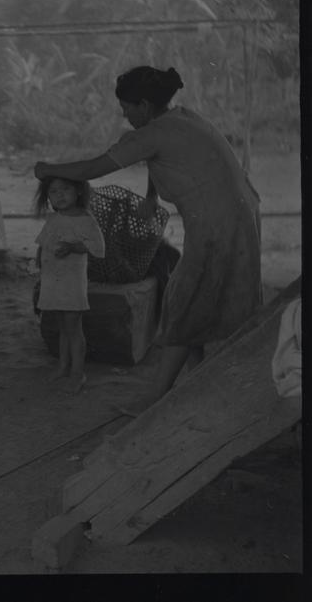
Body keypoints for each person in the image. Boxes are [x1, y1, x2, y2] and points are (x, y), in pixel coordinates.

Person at [34, 65, 263, 414]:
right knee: (190, 299)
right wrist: (151, 196)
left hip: (219, 223)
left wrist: (50, 169)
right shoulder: (184, 118)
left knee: (186, 301)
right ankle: (197, 383)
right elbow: (170, 161)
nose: (124, 114)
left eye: (127, 106)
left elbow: (93, 169)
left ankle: (154, 400)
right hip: (242, 210)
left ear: (143, 104)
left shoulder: (149, 135)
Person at [34, 176, 105, 394]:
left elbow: (98, 248)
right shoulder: (55, 217)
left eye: (65, 189)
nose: (60, 195)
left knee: (74, 328)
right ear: (48, 197)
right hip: (53, 279)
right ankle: (63, 366)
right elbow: (43, 241)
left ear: (79, 192)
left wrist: (74, 247)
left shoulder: (86, 219)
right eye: (54, 192)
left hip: (72, 281)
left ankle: (78, 373)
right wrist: (39, 257)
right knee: (62, 327)